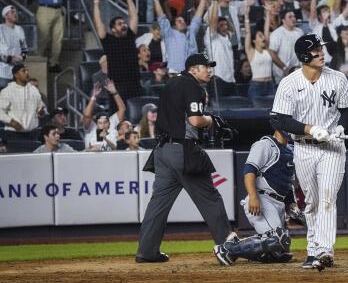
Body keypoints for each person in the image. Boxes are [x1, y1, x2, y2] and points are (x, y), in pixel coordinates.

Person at [138, 53, 234, 264]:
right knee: (211, 198)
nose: (209, 70)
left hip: (162, 151)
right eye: (204, 66)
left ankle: (147, 251)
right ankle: (228, 247)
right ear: (192, 70)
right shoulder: (192, 86)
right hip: (183, 151)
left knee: (158, 205)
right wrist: (211, 120)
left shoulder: (171, 83)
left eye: (210, 66)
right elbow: (196, 120)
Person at [270, 33, 348, 270]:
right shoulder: (289, 83)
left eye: (321, 49)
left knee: (328, 198)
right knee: (313, 202)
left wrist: (340, 127)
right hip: (304, 148)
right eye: (316, 50)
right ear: (303, 55)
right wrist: (309, 128)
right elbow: (281, 120)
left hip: (332, 148)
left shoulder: (337, 79)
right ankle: (313, 251)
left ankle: (325, 251)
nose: (321, 53)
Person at [215, 125, 300, 264]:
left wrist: (292, 204)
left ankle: (264, 252)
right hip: (263, 199)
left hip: (279, 204)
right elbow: (249, 171)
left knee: (281, 247)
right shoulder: (264, 145)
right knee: (276, 240)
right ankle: (227, 249)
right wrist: (253, 197)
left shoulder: (291, 150)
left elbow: (287, 182)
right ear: (278, 125)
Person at [93, 0, 142, 102]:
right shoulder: (108, 40)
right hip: (117, 86)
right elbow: (98, 22)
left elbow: (134, 17)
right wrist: (96, 3)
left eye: (124, 23)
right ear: (113, 29)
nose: (124, 25)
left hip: (135, 83)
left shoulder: (130, 36)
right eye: (120, 24)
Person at [154, 0, 208, 73]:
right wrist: (156, 0)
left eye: (183, 21)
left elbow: (198, 16)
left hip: (192, 73)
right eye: (179, 21)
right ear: (174, 26)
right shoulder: (170, 34)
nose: (183, 22)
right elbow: (161, 18)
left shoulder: (191, 32)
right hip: (176, 73)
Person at [0, 64, 45, 139]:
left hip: (33, 133)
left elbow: (40, 107)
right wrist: (11, 121)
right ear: (16, 75)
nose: (27, 73)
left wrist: (41, 111)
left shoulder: (34, 90)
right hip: (13, 133)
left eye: (27, 70)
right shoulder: (7, 91)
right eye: (23, 71)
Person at [243, 4, 276, 102]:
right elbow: (248, 33)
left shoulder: (267, 49)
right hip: (257, 86)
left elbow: (266, 30)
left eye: (263, 36)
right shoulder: (251, 51)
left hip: (270, 84)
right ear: (254, 40)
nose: (263, 37)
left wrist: (268, 13)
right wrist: (246, 16)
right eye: (260, 36)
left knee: (273, 112)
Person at [81, 81, 126, 151]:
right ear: (96, 124)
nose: (103, 125)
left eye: (105, 122)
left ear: (109, 123)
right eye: (100, 123)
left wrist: (115, 93)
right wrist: (93, 97)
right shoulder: (91, 128)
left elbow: (122, 109)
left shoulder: (112, 126)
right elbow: (86, 115)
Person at [269, 10, 304, 84]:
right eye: (290, 17)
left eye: (294, 16)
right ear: (283, 20)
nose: (293, 19)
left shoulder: (300, 32)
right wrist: (284, 68)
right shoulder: (277, 34)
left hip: (298, 72)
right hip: (281, 74)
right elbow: (272, 53)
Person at [0, 5, 27, 83]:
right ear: (5, 16)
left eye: (16, 12)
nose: (15, 14)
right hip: (2, 73)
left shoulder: (20, 29)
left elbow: (24, 49)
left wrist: (22, 57)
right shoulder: (0, 29)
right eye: (12, 12)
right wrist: (9, 59)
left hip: (17, 73)